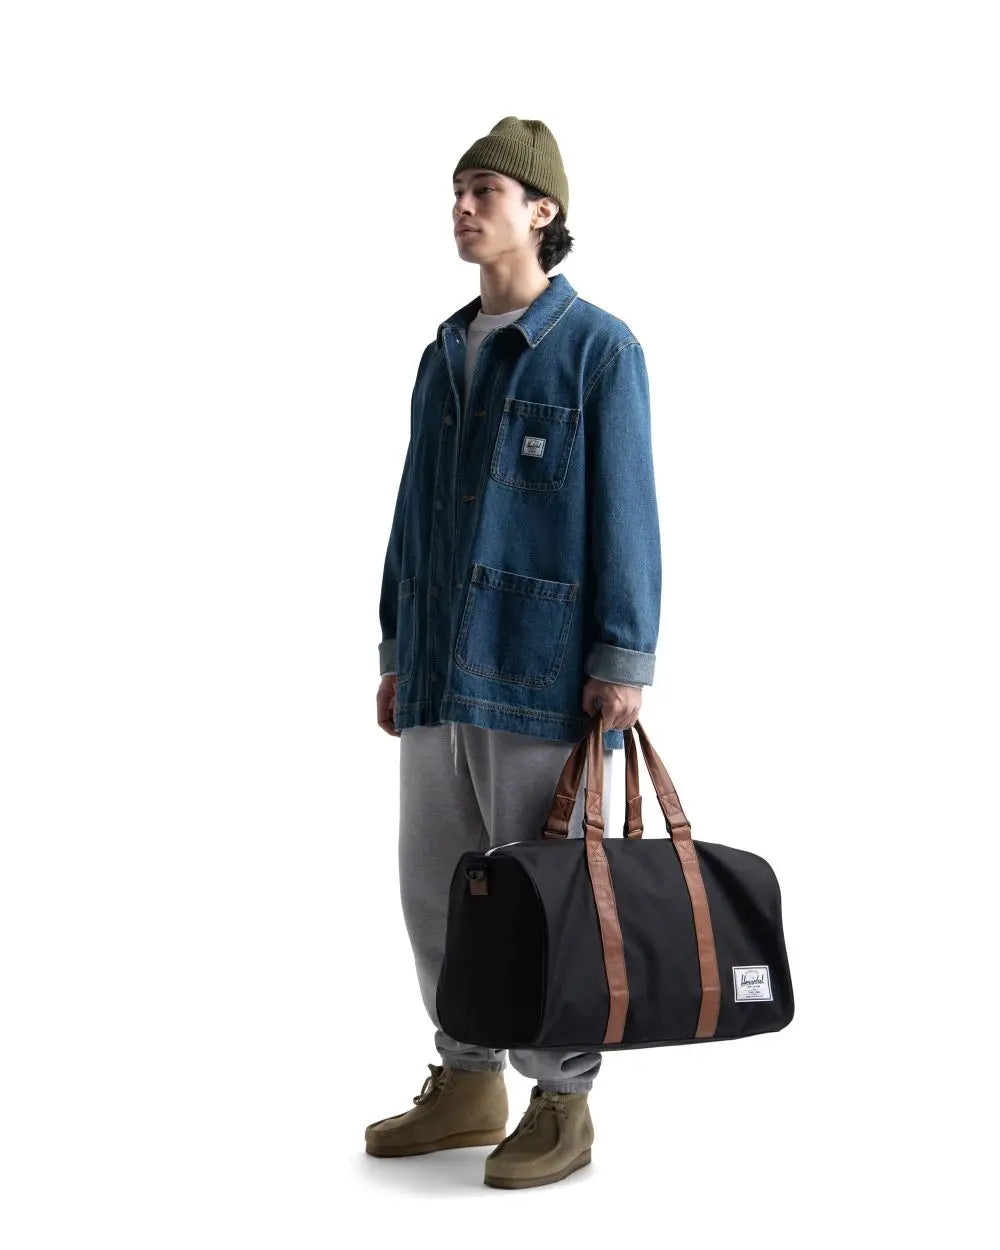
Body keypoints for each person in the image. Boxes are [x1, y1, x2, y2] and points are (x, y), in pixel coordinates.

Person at [366, 117, 662, 1189]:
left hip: (541, 673)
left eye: (483, 189)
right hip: (439, 666)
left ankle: (562, 1098)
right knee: (435, 889)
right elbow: (413, 510)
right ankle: (466, 1079)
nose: (462, 206)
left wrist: (623, 655)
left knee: (547, 895)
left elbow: (628, 512)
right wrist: (396, 643)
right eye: (456, 189)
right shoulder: (443, 351)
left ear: (542, 210)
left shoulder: (598, 349)